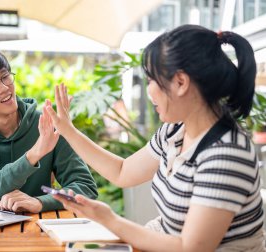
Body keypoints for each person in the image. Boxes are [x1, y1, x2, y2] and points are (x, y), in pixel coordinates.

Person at [46, 24, 265, 251]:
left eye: (151, 80)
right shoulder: (175, 131)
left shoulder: (226, 153)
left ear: (181, 82)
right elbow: (122, 172)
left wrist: (109, 219)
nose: (148, 90)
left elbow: (190, 248)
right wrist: (68, 131)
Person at [0, 48, 97, 213]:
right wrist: (33, 155)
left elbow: (85, 188)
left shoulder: (49, 126)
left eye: (5, 77)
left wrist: (40, 202)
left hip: (42, 230)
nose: (4, 88)